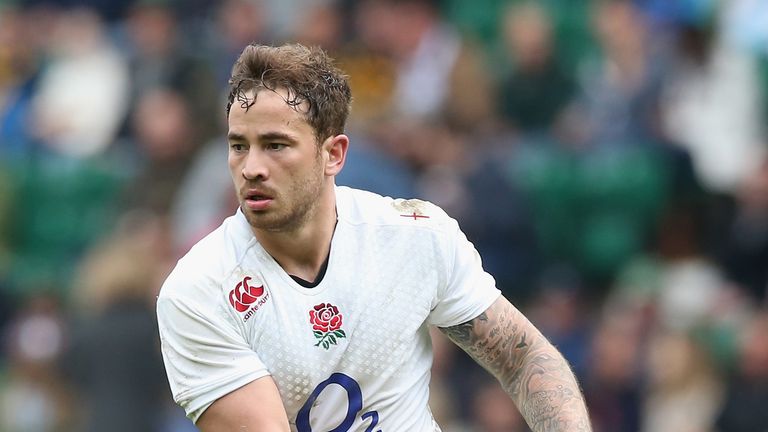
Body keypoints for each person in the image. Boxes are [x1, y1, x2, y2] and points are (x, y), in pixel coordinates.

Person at [156, 43, 592, 432]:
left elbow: (524, 359)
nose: (251, 167)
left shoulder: (415, 235)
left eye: (275, 145)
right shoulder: (198, 292)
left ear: (334, 154)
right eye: (238, 146)